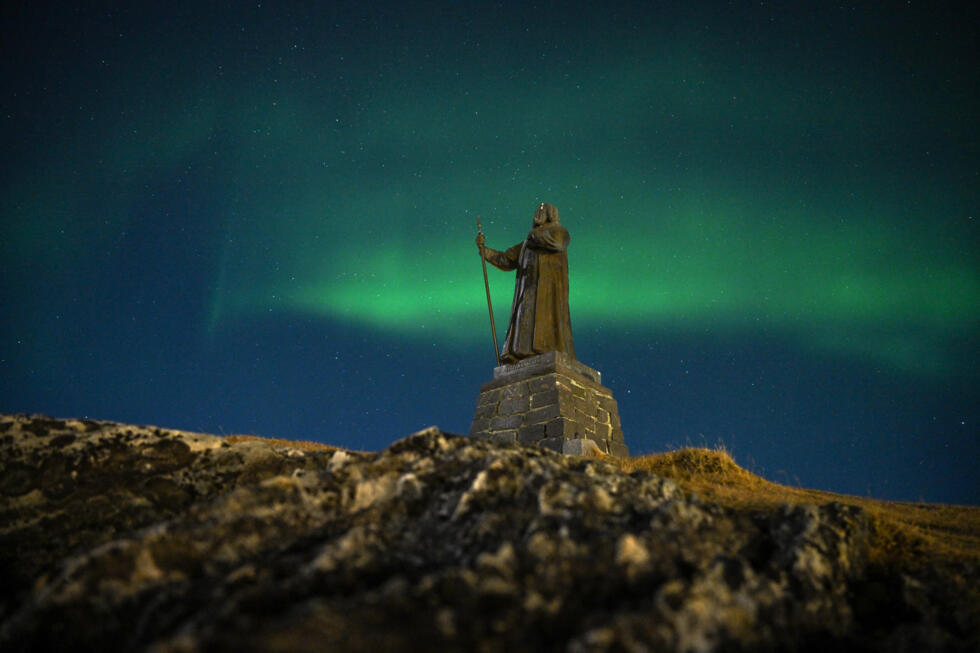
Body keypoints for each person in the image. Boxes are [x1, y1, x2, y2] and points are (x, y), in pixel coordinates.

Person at [476, 202, 575, 363]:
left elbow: (557, 243)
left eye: (542, 210)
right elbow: (506, 259)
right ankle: (522, 355)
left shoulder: (558, 232)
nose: (537, 213)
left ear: (551, 214)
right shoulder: (526, 243)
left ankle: (545, 352)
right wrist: (484, 250)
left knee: (546, 321)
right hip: (528, 291)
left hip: (548, 291)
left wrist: (535, 236)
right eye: (537, 210)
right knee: (525, 319)